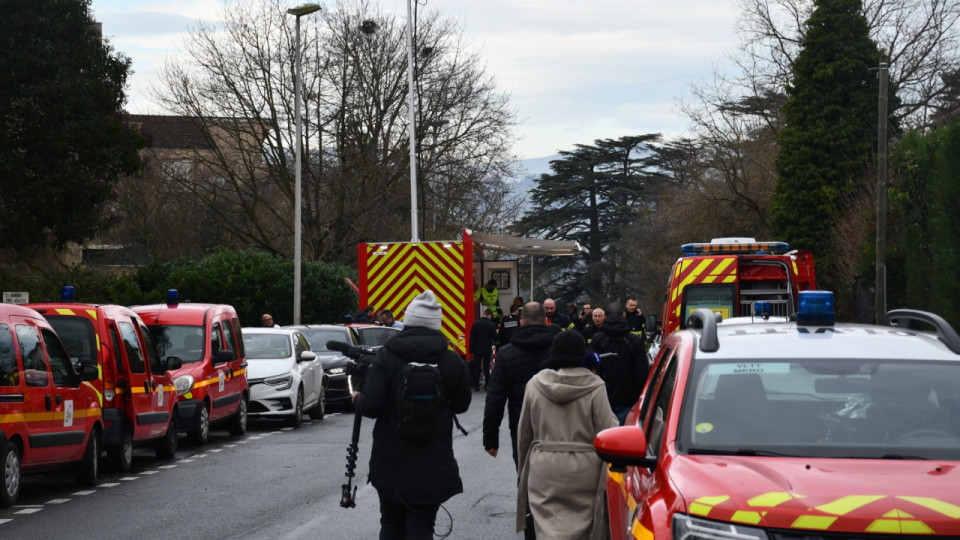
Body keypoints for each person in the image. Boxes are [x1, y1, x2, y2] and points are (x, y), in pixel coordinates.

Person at [352, 290, 472, 539]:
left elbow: (371, 406)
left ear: (408, 321)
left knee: (392, 524)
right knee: (422, 526)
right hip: (433, 458)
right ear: (436, 323)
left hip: (391, 459)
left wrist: (356, 398)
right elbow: (462, 405)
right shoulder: (450, 360)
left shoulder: (386, 357)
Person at [516, 330, 618, 539]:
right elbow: (609, 431)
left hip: (544, 467)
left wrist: (523, 472)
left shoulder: (534, 385)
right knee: (585, 527)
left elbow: (524, 434)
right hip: (585, 470)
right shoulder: (595, 386)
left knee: (547, 527)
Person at [483, 301, 557, 540]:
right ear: (545, 320)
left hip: (522, 428)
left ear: (521, 322)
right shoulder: (557, 349)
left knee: (525, 478)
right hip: (557, 426)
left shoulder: (506, 353)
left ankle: (531, 529)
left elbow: (495, 398)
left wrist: (490, 439)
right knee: (555, 479)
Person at [589, 310, 648, 425]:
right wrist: (640, 397)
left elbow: (589, 366)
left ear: (605, 317)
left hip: (603, 396)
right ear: (624, 316)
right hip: (628, 399)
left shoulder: (598, 339)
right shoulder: (634, 341)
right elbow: (642, 373)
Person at [469, 309, 497, 391]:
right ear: (489, 315)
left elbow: (472, 338)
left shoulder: (475, 323)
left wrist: (471, 350)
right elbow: (495, 337)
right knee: (486, 367)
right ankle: (487, 385)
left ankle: (476, 385)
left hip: (477, 349)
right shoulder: (491, 324)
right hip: (487, 348)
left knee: (477, 367)